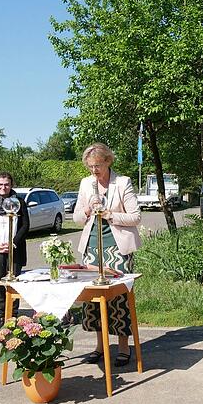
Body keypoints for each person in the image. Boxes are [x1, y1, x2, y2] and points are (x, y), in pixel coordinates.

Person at [73, 143, 141, 367]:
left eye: (98, 165)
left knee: (118, 298)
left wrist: (110, 214)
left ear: (108, 161)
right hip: (92, 247)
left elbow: (135, 217)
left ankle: (123, 347)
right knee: (93, 299)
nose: (94, 170)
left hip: (118, 249)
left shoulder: (123, 183)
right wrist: (86, 210)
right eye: (90, 166)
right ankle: (99, 347)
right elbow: (76, 219)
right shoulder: (85, 184)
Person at [0, 172, 29, 328]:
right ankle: (1, 316)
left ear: (11, 185)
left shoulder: (19, 202)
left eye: (6, 184)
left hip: (14, 248)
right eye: (0, 184)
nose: (3, 187)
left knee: (14, 283)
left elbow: (25, 225)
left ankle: (13, 316)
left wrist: (13, 242)